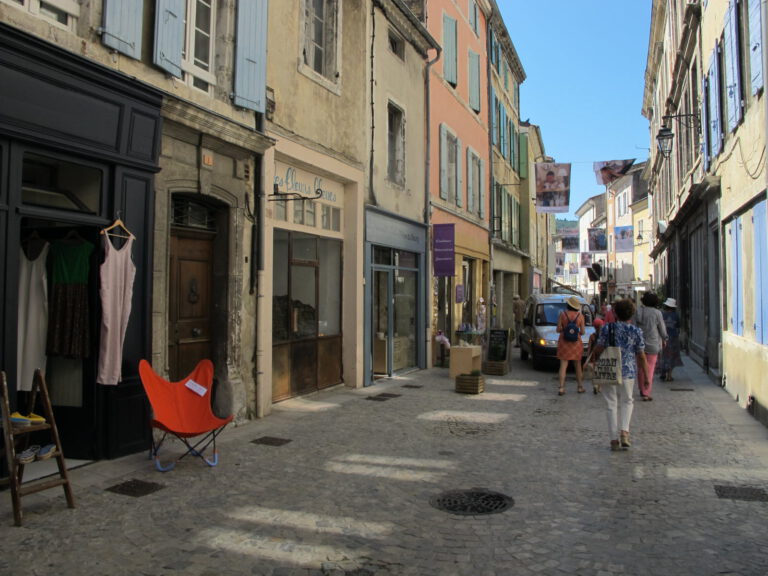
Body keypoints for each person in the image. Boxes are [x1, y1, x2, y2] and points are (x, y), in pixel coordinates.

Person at [592, 298, 649, 451]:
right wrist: (647, 376)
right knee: (627, 401)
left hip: (610, 368)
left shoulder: (606, 328)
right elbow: (641, 355)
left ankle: (613, 439)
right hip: (628, 370)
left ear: (615, 313)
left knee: (611, 403)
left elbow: (598, 348)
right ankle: (624, 431)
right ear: (632, 314)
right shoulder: (636, 331)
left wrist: (593, 360)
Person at [633, 292, 667, 400]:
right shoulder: (657, 313)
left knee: (641, 368)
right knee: (650, 368)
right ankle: (646, 392)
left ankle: (641, 388)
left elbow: (633, 327)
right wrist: (665, 338)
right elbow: (662, 328)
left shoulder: (638, 311)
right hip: (653, 344)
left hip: (639, 344)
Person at [556, 296, 586, 395]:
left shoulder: (562, 314)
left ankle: (561, 388)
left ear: (568, 305)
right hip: (576, 343)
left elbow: (558, 329)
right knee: (578, 365)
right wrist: (575, 332)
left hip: (564, 342)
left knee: (563, 365)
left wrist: (565, 330)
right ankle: (580, 387)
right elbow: (582, 332)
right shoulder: (580, 316)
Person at [660, 298, 683, 381]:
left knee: (664, 356)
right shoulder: (676, 315)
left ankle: (663, 372)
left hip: (664, 338)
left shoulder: (662, 314)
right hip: (673, 338)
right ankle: (669, 375)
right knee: (672, 356)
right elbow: (678, 326)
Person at [587, 317, 605, 394]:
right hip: (602, 356)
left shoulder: (592, 336)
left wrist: (588, 357)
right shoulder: (604, 336)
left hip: (594, 356)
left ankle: (595, 385)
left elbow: (589, 348)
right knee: (601, 371)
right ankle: (599, 387)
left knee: (594, 371)